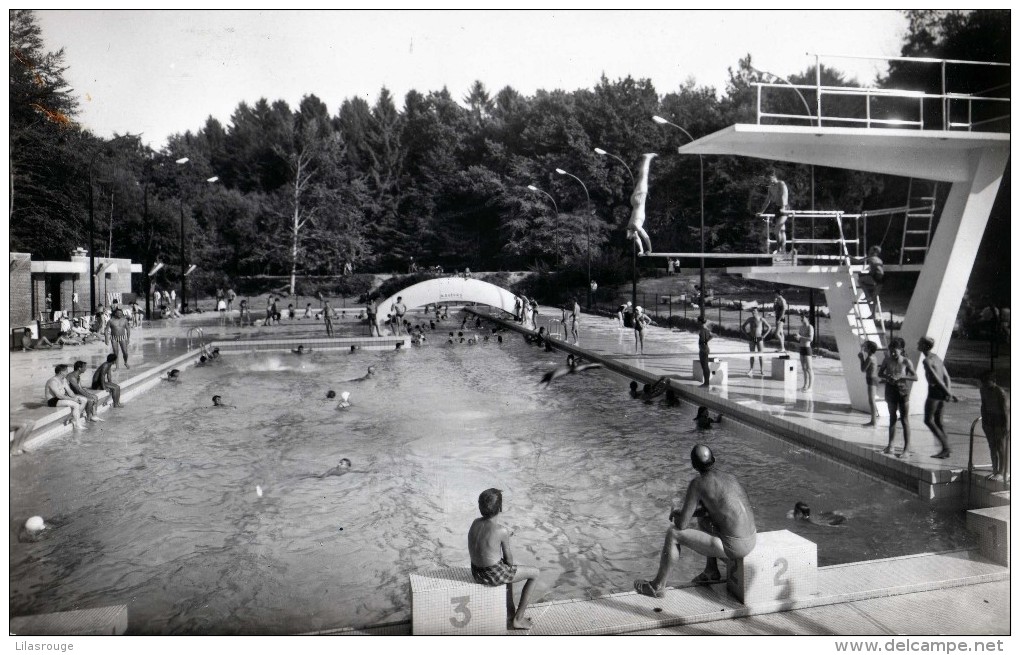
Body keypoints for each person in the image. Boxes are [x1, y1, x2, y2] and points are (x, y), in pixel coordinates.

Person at [635, 444, 757, 597]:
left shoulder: (698, 483)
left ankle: (657, 586)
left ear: (693, 465)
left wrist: (678, 514)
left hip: (734, 547)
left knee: (672, 534)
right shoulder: (730, 477)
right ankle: (711, 571)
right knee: (704, 520)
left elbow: (681, 525)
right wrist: (690, 513)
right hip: (751, 539)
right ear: (714, 459)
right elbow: (712, 510)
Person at [468, 488, 541, 630]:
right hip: (491, 575)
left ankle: (509, 614)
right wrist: (505, 537)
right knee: (534, 573)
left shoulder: (475, 522)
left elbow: (486, 539)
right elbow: (509, 561)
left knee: (507, 571)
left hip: (476, 572)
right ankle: (518, 619)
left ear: (480, 507)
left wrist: (504, 535)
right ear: (500, 508)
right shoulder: (501, 530)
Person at [918, 337, 958, 459]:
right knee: (938, 421)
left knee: (928, 420)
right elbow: (946, 376)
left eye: (919, 343)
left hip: (935, 391)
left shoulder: (927, 361)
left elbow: (937, 378)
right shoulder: (936, 357)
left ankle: (946, 448)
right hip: (942, 391)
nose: (917, 344)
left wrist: (949, 394)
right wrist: (948, 391)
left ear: (924, 346)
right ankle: (946, 449)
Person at [878, 337, 917, 458]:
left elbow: (915, 377)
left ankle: (906, 449)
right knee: (892, 418)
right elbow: (880, 373)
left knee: (904, 420)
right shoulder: (887, 360)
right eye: (891, 351)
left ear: (901, 350)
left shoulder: (906, 361)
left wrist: (902, 378)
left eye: (895, 351)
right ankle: (890, 446)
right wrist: (887, 376)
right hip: (890, 390)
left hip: (902, 391)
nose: (893, 353)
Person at [979, 371, 1010, 481]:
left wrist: (1007, 427)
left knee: (1000, 447)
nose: (985, 385)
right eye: (983, 383)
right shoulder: (982, 389)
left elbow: (1006, 411)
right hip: (989, 421)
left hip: (1000, 421)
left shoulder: (1000, 392)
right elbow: (983, 406)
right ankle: (995, 470)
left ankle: (1002, 472)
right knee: (992, 446)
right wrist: (984, 423)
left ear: (994, 381)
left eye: (987, 383)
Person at [627, 153, 657, 254]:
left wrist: (650, 250)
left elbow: (646, 237)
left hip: (639, 200)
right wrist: (641, 250)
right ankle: (646, 159)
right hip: (634, 201)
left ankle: (647, 158)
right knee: (641, 177)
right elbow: (638, 240)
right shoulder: (631, 226)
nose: (631, 237)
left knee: (644, 176)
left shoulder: (635, 226)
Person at [45, 364, 86, 429]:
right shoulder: (53, 381)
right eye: (66, 371)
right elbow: (58, 395)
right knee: (76, 405)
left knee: (83, 400)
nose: (67, 372)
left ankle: (74, 419)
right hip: (53, 401)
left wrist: (75, 397)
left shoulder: (64, 380)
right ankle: (77, 425)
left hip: (60, 398)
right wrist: (72, 400)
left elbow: (69, 391)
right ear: (61, 372)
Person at [760, 170, 790, 256]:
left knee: (777, 230)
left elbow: (784, 195)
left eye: (769, 179)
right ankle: (783, 250)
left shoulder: (781, 184)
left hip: (784, 207)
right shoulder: (770, 188)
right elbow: (767, 201)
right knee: (781, 230)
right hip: (777, 208)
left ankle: (779, 248)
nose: (768, 181)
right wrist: (761, 212)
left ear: (773, 177)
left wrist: (783, 207)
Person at [740, 307, 772, 376]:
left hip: (759, 338)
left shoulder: (761, 319)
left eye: (754, 311)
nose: (753, 312)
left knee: (761, 354)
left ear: (757, 312)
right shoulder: (750, 319)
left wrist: (764, 336)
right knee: (752, 354)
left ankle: (762, 370)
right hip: (752, 338)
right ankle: (751, 369)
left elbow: (769, 327)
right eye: (752, 311)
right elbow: (743, 327)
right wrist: (747, 334)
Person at [857, 246, 885, 316]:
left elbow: (858, 261)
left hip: (875, 277)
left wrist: (849, 256)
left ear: (873, 251)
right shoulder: (880, 260)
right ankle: (873, 315)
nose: (869, 251)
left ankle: (867, 295)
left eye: (870, 250)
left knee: (860, 280)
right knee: (875, 297)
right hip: (881, 278)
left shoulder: (870, 258)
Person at [858, 341, 880, 426]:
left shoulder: (870, 358)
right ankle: (873, 420)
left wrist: (861, 358)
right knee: (871, 400)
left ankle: (873, 421)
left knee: (871, 401)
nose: (864, 348)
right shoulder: (873, 357)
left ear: (869, 349)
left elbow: (863, 369)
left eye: (866, 347)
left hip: (871, 379)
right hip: (872, 379)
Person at [796, 314, 815, 391]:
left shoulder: (810, 327)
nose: (801, 320)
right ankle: (805, 385)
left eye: (802, 318)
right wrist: (798, 337)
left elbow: (811, 339)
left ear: (807, 318)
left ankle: (810, 387)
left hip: (807, 348)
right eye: (801, 318)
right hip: (802, 348)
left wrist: (801, 337)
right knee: (804, 368)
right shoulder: (801, 327)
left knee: (809, 368)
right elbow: (800, 338)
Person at [697, 316, 713, 388]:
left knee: (705, 366)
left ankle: (706, 383)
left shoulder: (702, 330)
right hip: (706, 348)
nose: (697, 322)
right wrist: (706, 341)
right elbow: (711, 336)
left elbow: (703, 339)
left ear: (700, 322)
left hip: (703, 349)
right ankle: (706, 382)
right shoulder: (707, 329)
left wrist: (703, 343)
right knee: (705, 366)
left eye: (698, 321)